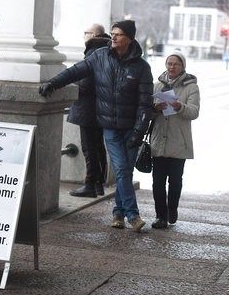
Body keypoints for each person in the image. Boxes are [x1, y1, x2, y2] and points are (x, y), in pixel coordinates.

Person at [39, 20, 153, 232]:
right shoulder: (99, 57)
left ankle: (118, 213)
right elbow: (74, 71)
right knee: (120, 168)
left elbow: (146, 103)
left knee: (125, 171)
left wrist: (140, 130)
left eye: (118, 34)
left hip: (132, 129)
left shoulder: (142, 68)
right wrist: (53, 83)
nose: (114, 38)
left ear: (129, 38)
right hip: (109, 126)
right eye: (112, 33)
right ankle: (133, 215)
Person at [150, 51, 200, 229]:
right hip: (158, 140)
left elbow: (194, 112)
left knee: (175, 180)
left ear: (182, 66)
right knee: (157, 181)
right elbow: (147, 111)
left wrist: (179, 106)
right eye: (169, 63)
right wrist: (155, 108)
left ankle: (172, 209)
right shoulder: (157, 85)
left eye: (175, 64)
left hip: (179, 141)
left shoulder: (191, 87)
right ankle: (160, 216)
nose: (171, 67)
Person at [68, 24, 111, 198]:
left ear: (94, 34)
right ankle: (99, 184)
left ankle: (90, 184)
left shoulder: (93, 52)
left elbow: (85, 83)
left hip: (88, 108)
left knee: (89, 148)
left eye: (86, 32)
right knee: (98, 146)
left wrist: (72, 82)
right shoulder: (106, 51)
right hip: (100, 108)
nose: (84, 35)